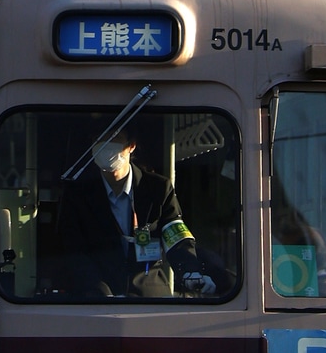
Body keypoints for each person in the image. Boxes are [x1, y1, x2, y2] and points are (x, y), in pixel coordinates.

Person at [55, 127, 216, 300]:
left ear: (131, 146)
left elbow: (174, 233)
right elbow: (73, 250)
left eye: (115, 137)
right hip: (96, 298)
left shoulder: (158, 188)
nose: (106, 145)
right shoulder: (77, 194)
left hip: (149, 296)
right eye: (99, 139)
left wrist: (190, 272)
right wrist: (98, 292)